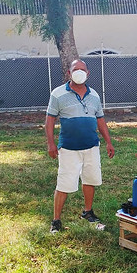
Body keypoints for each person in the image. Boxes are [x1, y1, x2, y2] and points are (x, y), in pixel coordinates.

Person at [45, 59, 115, 233]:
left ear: (88, 73)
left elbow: (101, 121)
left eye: (83, 69)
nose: (79, 72)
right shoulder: (58, 94)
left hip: (91, 147)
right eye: (76, 69)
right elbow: (49, 121)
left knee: (90, 179)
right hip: (68, 148)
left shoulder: (95, 95)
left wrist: (108, 142)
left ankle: (88, 212)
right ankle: (56, 221)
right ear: (69, 73)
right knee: (64, 183)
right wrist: (51, 144)